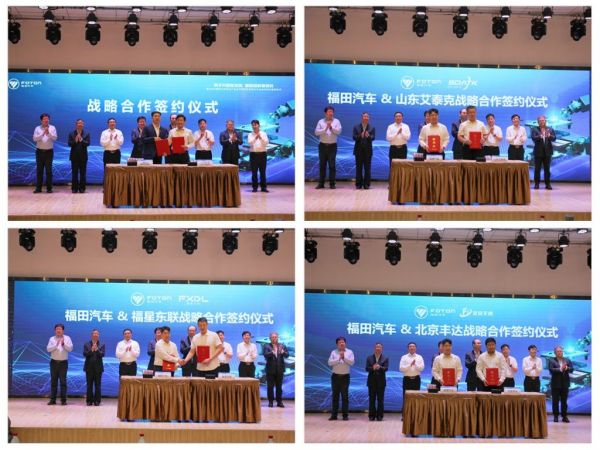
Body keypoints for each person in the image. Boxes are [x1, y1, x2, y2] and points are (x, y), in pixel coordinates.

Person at [327, 336, 355, 421]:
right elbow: (329, 363)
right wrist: (338, 359)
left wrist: (344, 358)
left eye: (343, 342)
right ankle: (334, 415)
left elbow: (352, 362)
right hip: (335, 377)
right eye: (340, 342)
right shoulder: (333, 352)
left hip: (345, 377)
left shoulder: (350, 352)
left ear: (345, 343)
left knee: (345, 397)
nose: (342, 344)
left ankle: (345, 415)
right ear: (337, 344)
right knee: (335, 396)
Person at [314, 106, 342, 189]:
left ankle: (332, 184)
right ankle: (321, 183)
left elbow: (339, 131)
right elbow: (316, 132)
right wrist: (325, 129)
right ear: (325, 113)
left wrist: (331, 128)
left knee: (332, 165)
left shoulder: (336, 121)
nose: (331, 113)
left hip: (332, 146)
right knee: (322, 165)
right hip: (322, 146)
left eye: (332, 111)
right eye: (329, 111)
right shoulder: (320, 121)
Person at [46, 323, 73, 405]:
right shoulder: (52, 339)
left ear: (63, 330)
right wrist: (56, 344)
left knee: (63, 381)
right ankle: (53, 400)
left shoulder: (67, 338)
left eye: (60, 329)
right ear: (55, 330)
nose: (58, 330)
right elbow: (48, 349)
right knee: (53, 381)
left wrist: (63, 344)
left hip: (63, 363)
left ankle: (63, 400)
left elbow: (70, 349)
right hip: (53, 362)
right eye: (57, 329)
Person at [32, 113, 57, 193]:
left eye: (47, 119)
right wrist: (42, 134)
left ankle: (49, 188)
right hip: (39, 152)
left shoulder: (52, 127)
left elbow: (55, 138)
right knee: (39, 170)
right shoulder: (37, 128)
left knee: (49, 171)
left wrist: (48, 133)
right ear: (41, 120)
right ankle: (38, 188)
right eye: (44, 119)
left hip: (49, 152)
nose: (46, 120)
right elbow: (34, 139)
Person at [263, 332, 289, 407]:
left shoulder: (282, 345)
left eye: (275, 337)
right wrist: (272, 352)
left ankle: (279, 401)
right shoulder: (266, 346)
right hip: (270, 369)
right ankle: (270, 401)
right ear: (270, 338)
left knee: (279, 387)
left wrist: (283, 352)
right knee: (270, 387)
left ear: (277, 337)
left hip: (280, 369)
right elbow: (265, 355)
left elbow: (287, 355)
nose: (274, 338)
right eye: (272, 337)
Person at [548, 346, 574, 423]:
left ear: (562, 352)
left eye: (560, 351)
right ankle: (555, 416)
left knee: (564, 401)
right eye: (558, 351)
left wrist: (567, 368)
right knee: (555, 401)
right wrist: (560, 369)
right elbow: (551, 370)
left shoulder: (567, 360)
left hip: (565, 383)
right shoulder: (551, 360)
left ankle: (564, 416)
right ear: (555, 353)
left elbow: (572, 369)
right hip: (555, 384)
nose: (559, 352)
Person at [531, 115, 556, 190]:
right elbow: (533, 138)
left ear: (545, 121)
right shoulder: (534, 129)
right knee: (537, 169)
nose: (542, 122)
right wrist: (540, 136)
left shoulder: (550, 129)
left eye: (543, 120)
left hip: (548, 152)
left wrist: (549, 136)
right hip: (538, 152)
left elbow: (554, 138)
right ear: (538, 122)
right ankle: (536, 184)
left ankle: (548, 184)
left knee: (547, 169)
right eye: (540, 120)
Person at [352, 112, 376, 190]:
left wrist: (368, 136)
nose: (366, 118)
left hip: (368, 151)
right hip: (358, 150)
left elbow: (373, 138)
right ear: (361, 118)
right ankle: (358, 184)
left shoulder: (372, 127)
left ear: (368, 118)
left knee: (367, 168)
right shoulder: (356, 127)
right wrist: (360, 135)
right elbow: (354, 137)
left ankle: (366, 184)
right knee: (358, 168)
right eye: (364, 116)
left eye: (367, 117)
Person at [366, 343, 388, 421]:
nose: (378, 348)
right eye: (377, 347)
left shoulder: (385, 358)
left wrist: (380, 367)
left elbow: (386, 368)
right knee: (372, 399)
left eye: (380, 347)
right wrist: (373, 368)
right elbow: (366, 368)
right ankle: (371, 415)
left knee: (380, 400)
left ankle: (380, 416)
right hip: (371, 382)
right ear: (374, 348)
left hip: (381, 382)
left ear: (382, 349)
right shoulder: (369, 358)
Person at [67, 118, 90, 194]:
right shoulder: (71, 133)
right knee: (74, 173)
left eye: (81, 123)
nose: (80, 124)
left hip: (83, 156)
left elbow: (88, 144)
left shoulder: (86, 133)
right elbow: (69, 144)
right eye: (79, 123)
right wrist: (75, 140)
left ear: (83, 125)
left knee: (83, 173)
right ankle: (74, 188)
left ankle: (82, 188)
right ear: (76, 125)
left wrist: (81, 140)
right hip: (74, 156)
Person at [83, 329, 105, 406]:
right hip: (89, 367)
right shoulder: (87, 344)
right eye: (94, 333)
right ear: (92, 335)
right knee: (89, 385)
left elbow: (102, 354)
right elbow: (85, 354)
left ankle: (97, 401)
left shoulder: (102, 344)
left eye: (97, 334)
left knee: (97, 385)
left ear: (98, 335)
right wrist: (91, 350)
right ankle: (89, 400)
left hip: (98, 368)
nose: (95, 335)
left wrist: (97, 350)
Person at [247, 119, 270, 192]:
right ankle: (255, 187)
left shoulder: (263, 133)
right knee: (254, 172)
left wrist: (260, 138)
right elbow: (249, 143)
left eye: (255, 125)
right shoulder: (250, 134)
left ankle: (263, 187)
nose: (254, 126)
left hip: (262, 154)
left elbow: (267, 143)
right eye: (252, 125)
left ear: (259, 125)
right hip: (253, 154)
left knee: (262, 172)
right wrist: (255, 138)